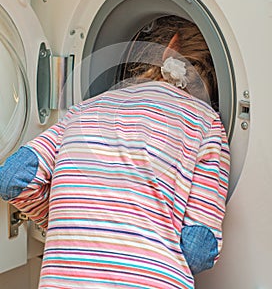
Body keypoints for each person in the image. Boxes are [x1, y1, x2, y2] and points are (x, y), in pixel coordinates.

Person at [0, 17, 230, 289]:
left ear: (169, 48)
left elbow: (14, 178)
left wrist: (79, 221)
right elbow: (197, 248)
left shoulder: (86, 109)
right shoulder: (207, 123)